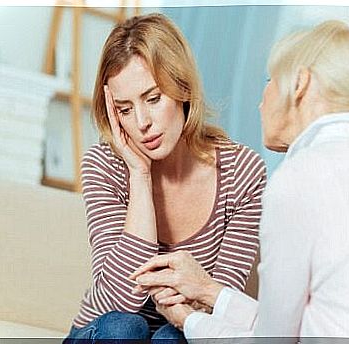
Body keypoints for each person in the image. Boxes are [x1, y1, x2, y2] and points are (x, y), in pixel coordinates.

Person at [131, 20, 349, 339]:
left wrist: (189, 322)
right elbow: (307, 319)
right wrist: (208, 290)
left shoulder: (299, 178)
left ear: (299, 84)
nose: (261, 101)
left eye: (270, 80)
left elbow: (275, 339)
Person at [63, 13, 267, 342]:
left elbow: (220, 309)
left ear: (183, 88)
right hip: (106, 333)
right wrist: (140, 176)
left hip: (186, 332)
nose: (142, 122)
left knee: (175, 336)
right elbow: (118, 300)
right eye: (125, 109)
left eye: (153, 99)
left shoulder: (241, 171)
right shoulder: (104, 165)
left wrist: (188, 311)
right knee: (124, 327)